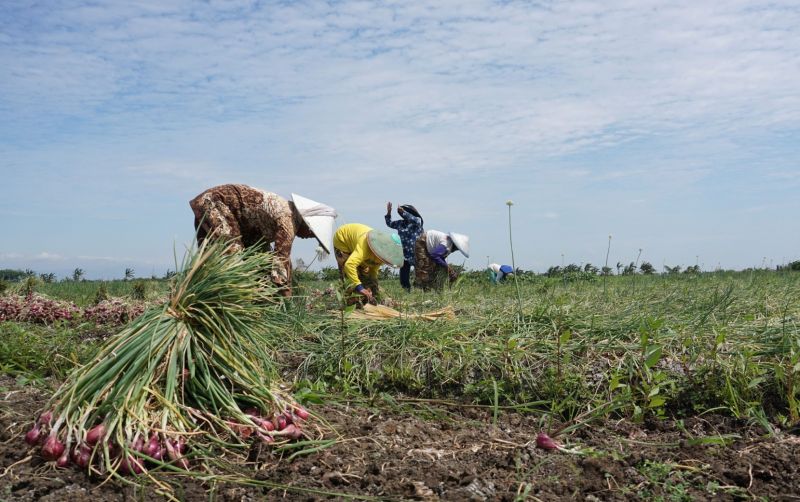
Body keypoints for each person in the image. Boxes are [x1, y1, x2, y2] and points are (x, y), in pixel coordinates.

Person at [189, 184, 337, 296]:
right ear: (307, 223)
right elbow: (281, 259)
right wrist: (286, 294)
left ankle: (200, 295)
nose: (308, 237)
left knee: (252, 261)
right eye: (313, 234)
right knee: (234, 261)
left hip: (229, 215)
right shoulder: (287, 218)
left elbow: (268, 256)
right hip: (215, 203)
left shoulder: (285, 214)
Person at [333, 223, 404, 305]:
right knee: (348, 278)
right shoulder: (365, 247)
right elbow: (349, 265)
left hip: (357, 246)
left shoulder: (382, 254)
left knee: (365, 277)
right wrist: (360, 288)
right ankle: (348, 302)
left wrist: (374, 285)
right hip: (343, 240)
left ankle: (366, 299)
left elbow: (373, 270)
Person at [384, 202, 424, 292]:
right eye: (401, 213)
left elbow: (415, 220)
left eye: (405, 212)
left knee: (421, 274)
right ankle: (407, 292)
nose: (402, 214)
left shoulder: (416, 222)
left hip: (416, 253)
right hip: (404, 254)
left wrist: (404, 212)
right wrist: (389, 213)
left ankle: (422, 291)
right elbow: (389, 223)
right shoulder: (400, 223)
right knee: (403, 278)